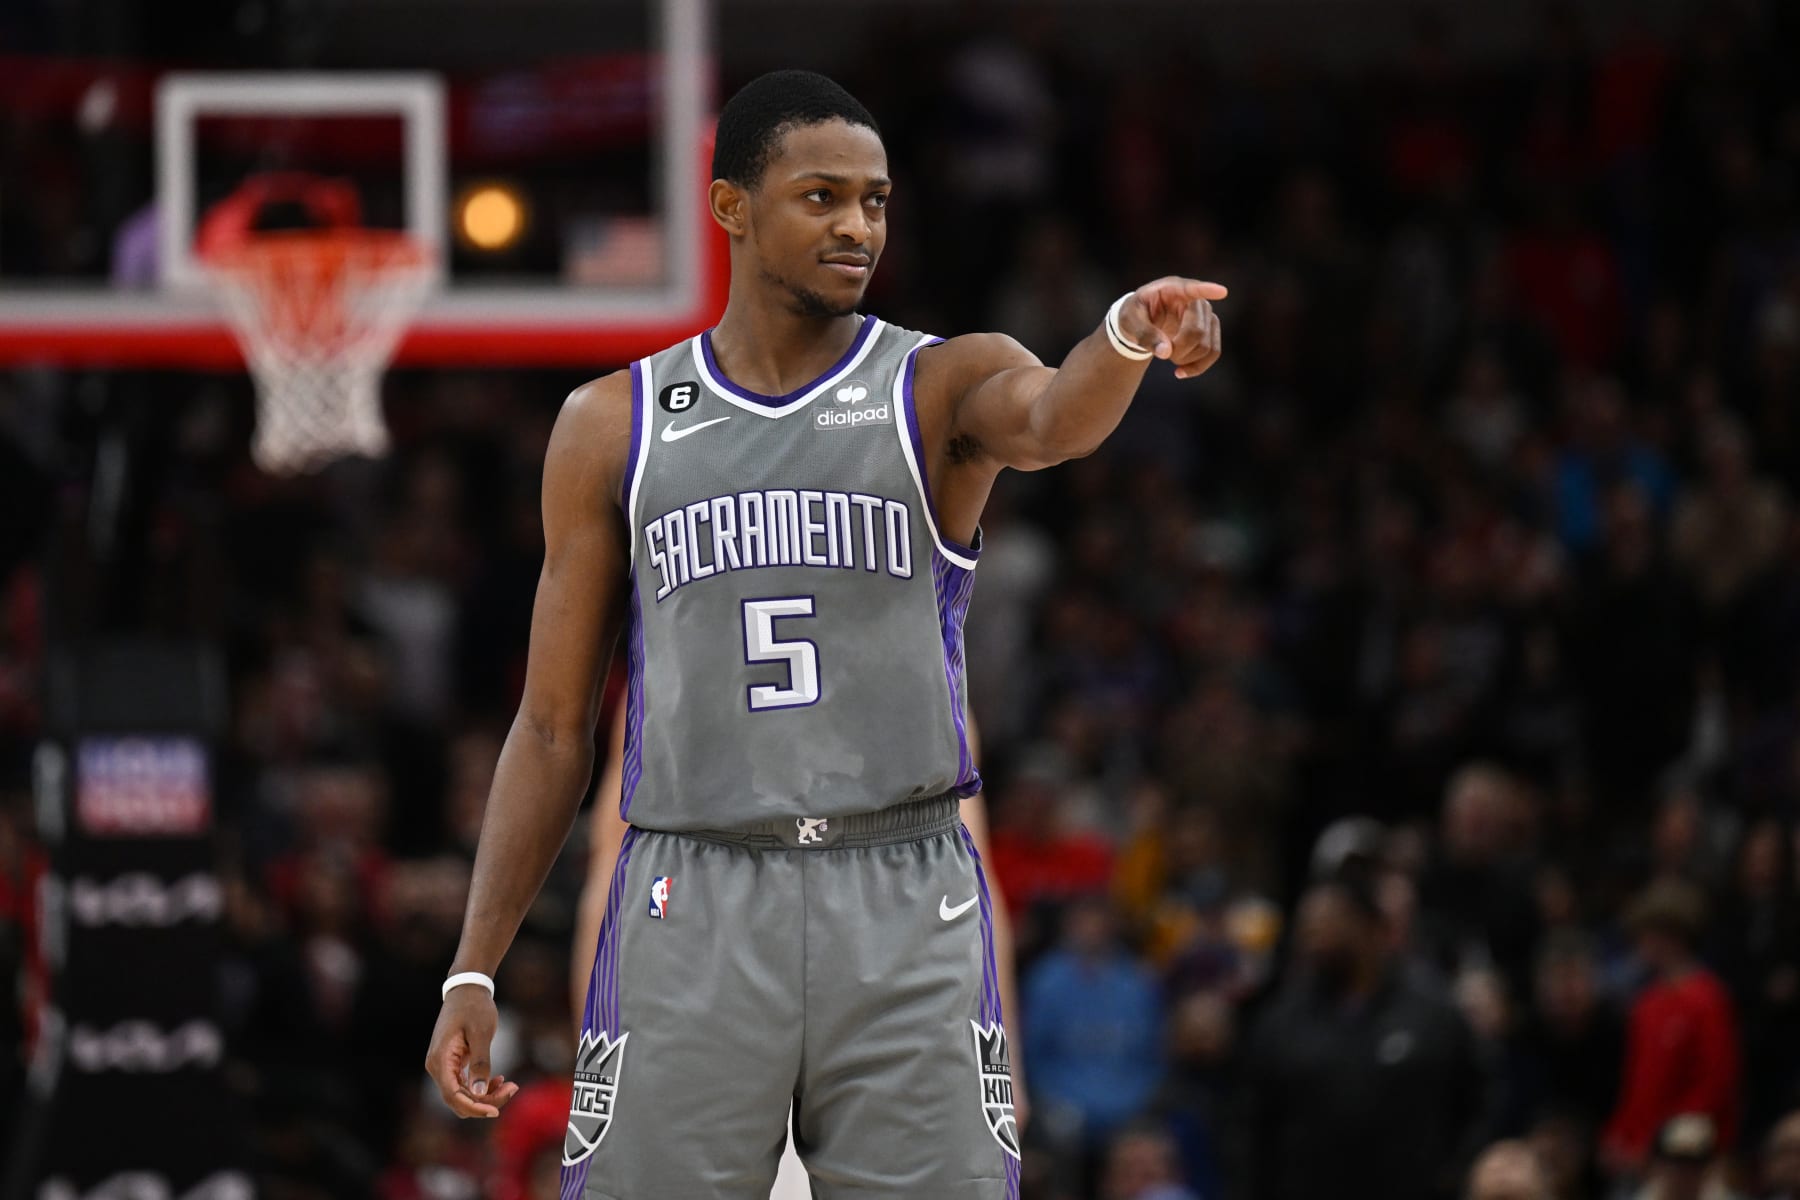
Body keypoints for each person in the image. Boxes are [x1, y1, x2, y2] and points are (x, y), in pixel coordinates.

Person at [422, 68, 1226, 1199]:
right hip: (693, 892)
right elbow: (552, 729)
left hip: (904, 890)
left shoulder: (944, 381)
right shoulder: (614, 424)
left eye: (877, 200)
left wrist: (1124, 336)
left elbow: (1051, 419)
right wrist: (475, 967)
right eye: (822, 197)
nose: (857, 225)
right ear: (732, 208)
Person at [1245, 869, 1491, 1200]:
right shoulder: (1282, 1022)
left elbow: (1480, 1096)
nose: (1313, 935)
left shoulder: (1431, 1010)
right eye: (1307, 926)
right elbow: (1252, 1128)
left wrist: (1454, 1173)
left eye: (1328, 921)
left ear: (1369, 926)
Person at [1602, 881, 1742, 1179]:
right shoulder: (1646, 1004)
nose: (1640, 943)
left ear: (1672, 936)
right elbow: (1636, 1082)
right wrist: (1619, 1134)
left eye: (1647, 934)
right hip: (1640, 1154)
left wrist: (1661, 1144)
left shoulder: (1707, 999)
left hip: (1690, 1156)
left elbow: (1714, 1084)